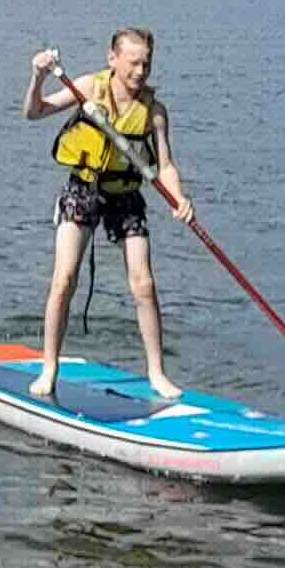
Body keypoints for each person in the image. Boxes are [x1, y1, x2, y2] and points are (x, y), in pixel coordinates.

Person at [24, 29, 195, 401]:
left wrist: (178, 197)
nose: (140, 71)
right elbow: (34, 112)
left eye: (146, 63)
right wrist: (38, 76)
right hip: (83, 189)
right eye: (133, 63)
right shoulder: (88, 87)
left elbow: (165, 166)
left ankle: (157, 374)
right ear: (112, 59)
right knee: (64, 278)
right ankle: (49, 368)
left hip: (125, 195)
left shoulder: (154, 112)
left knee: (144, 284)